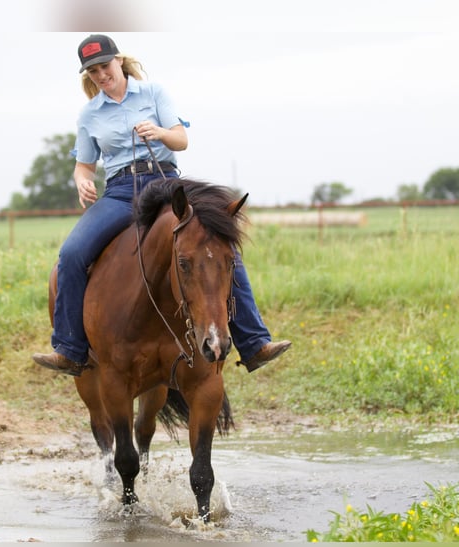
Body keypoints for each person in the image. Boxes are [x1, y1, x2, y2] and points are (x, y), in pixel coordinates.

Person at [33, 34, 290, 377]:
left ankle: (254, 341)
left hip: (166, 183)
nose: (101, 74)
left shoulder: (154, 93)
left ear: (119, 61)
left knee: (219, 242)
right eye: (92, 70)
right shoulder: (89, 114)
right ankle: (69, 349)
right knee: (72, 254)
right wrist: (82, 180)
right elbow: (84, 164)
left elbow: (181, 140)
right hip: (121, 190)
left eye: (105, 66)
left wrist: (158, 132)